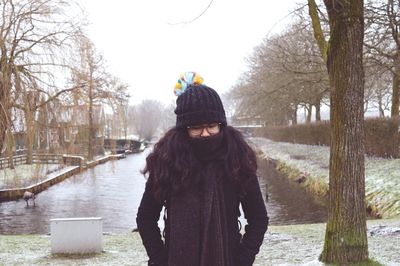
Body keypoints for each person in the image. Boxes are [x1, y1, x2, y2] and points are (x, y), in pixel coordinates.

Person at [136, 72, 269, 266]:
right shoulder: (167, 162)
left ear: (221, 125)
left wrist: (243, 260)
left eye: (212, 126)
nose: (206, 133)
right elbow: (146, 217)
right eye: (196, 127)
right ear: (184, 129)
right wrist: (160, 259)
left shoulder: (237, 159)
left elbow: (258, 218)